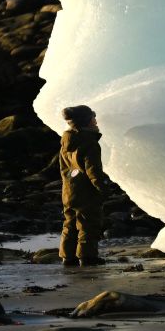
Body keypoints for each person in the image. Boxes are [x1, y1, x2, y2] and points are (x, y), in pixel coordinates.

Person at [58, 104, 109, 267]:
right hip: (86, 192)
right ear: (86, 122)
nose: (96, 121)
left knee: (70, 223)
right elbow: (93, 170)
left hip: (69, 190)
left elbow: (64, 169)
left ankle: (68, 257)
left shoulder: (66, 142)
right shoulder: (90, 143)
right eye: (93, 118)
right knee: (88, 224)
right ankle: (87, 257)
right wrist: (102, 187)